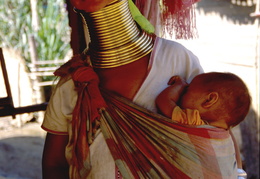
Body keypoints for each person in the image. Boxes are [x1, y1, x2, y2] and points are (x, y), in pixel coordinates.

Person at [41, 0, 240, 178]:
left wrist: (238, 174)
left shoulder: (177, 59)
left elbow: (217, 136)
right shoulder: (73, 80)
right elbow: (54, 165)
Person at [156, 72, 251, 129]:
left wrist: (180, 85)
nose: (183, 92)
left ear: (209, 100)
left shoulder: (194, 121)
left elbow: (163, 100)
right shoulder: (224, 132)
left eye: (187, 90)